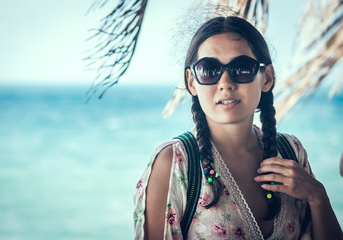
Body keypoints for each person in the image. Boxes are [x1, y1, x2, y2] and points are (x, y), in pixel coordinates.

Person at [133, 16, 343, 239]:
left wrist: (317, 197)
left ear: (267, 78)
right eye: (209, 69)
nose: (225, 83)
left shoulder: (291, 152)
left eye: (241, 68)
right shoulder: (175, 163)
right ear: (192, 81)